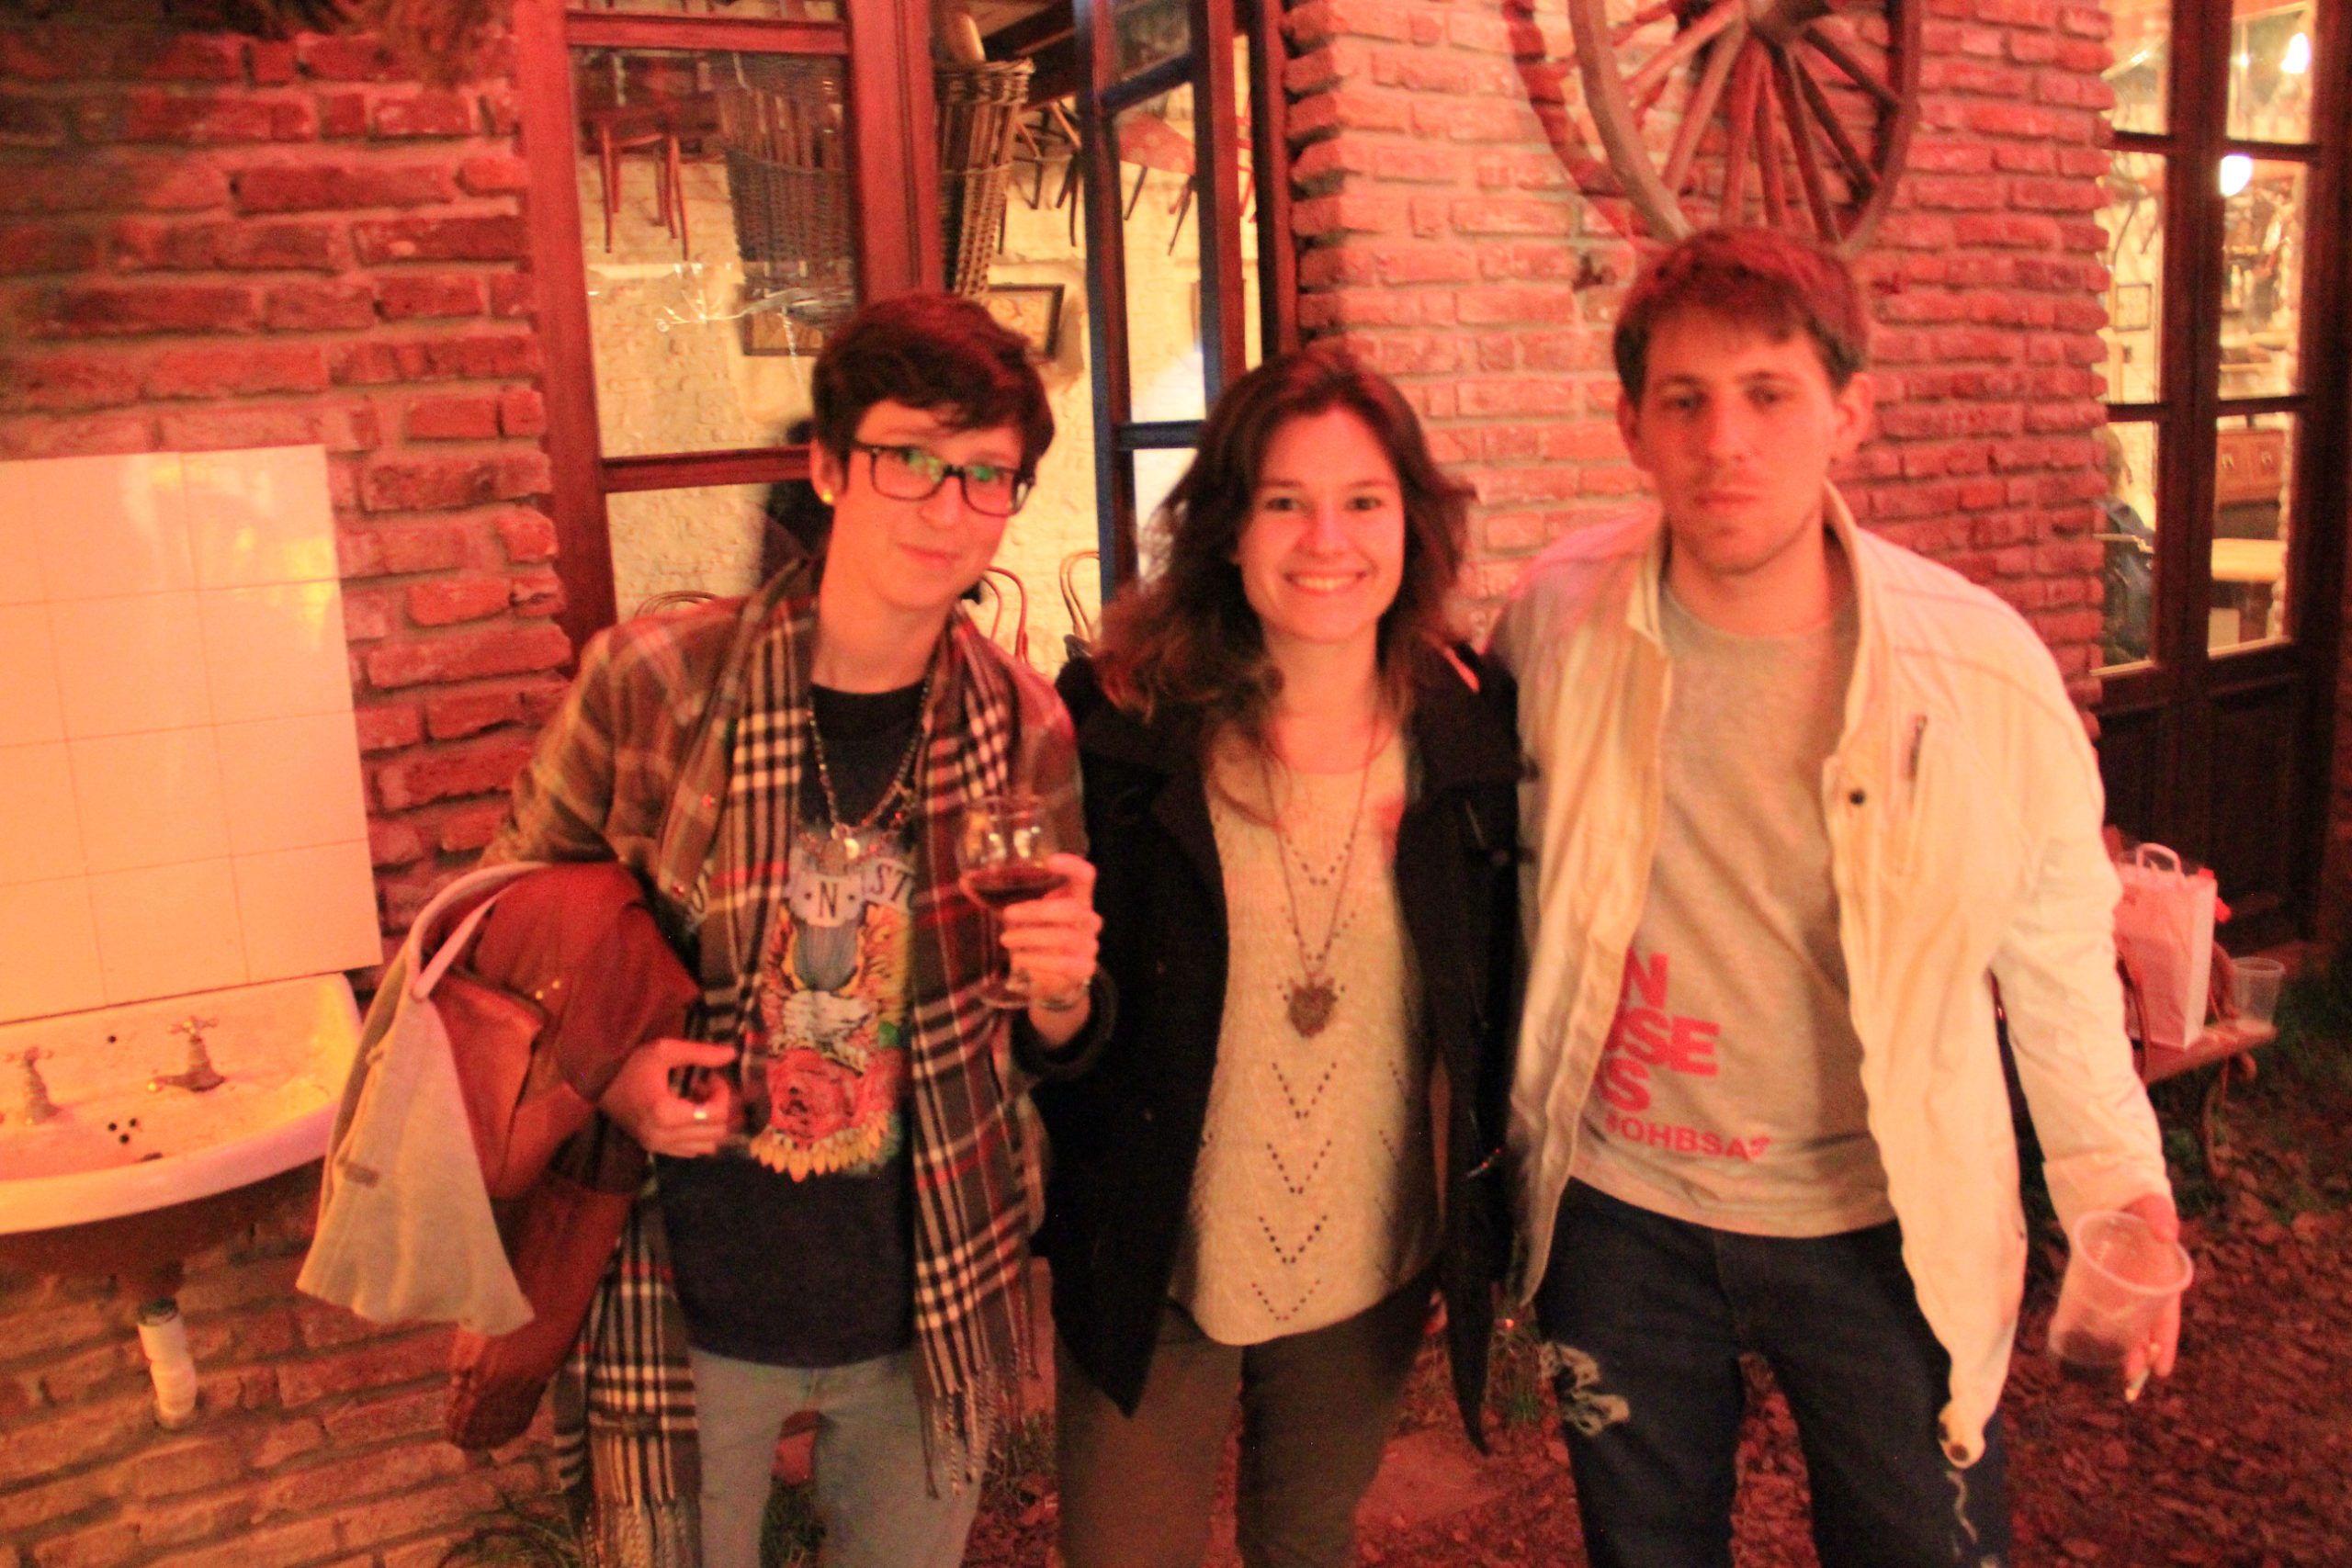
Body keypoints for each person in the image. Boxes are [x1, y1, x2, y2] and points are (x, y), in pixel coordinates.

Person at [1488, 227, 2179, 1568]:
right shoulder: (1557, 620)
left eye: (1768, 394)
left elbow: (2053, 960)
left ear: (1849, 412)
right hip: (1624, 1210)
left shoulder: (1980, 672)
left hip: (1883, 1216)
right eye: (1683, 401)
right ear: (1631, 427)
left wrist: (2119, 1191)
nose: (1724, 442)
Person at [482, 290, 1107, 1568]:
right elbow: (502, 931)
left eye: (986, 474)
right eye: (909, 458)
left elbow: (1046, 1040)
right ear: (827, 467)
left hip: (929, 1286)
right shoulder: (658, 682)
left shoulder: (1024, 726)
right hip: (680, 1284)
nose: (947, 507)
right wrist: (618, 1078)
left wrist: (1063, 998)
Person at [1040, 346, 1521, 1568]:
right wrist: (1049, 1011)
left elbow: (1495, 997)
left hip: (1368, 1249)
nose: (1328, 540)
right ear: (1227, 530)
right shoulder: (1122, 733)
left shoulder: (1470, 735)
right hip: (1158, 1248)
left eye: (1364, 500)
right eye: (1284, 502)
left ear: (1412, 524)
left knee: (1306, 1544)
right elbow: (1063, 1027)